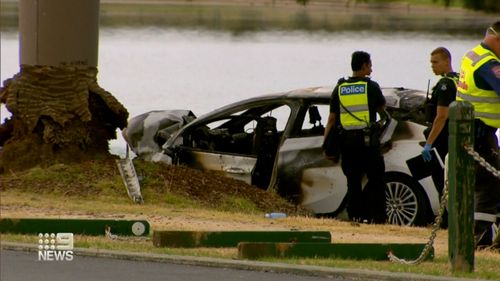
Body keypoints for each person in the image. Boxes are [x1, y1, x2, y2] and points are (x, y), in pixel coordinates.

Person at [323, 51, 387, 224]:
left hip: (348, 144)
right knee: (376, 181)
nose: (371, 68)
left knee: (353, 182)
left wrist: (326, 144)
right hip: (368, 144)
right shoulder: (371, 87)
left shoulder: (340, 88)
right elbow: (383, 111)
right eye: (370, 64)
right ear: (364, 65)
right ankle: (378, 218)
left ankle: (356, 217)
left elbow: (331, 119)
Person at [456, 21, 500, 249]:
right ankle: (471, 240)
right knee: (491, 186)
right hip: (480, 134)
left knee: (488, 185)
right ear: (496, 39)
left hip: (472, 132)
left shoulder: (473, 54)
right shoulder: (488, 64)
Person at [421, 47, 458, 201]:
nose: (432, 66)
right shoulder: (458, 79)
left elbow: (442, 116)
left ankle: (444, 219)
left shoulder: (445, 84)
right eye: (431, 63)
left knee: (442, 179)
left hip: (444, 138)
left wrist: (429, 143)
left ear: (447, 61)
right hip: (456, 135)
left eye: (435, 62)